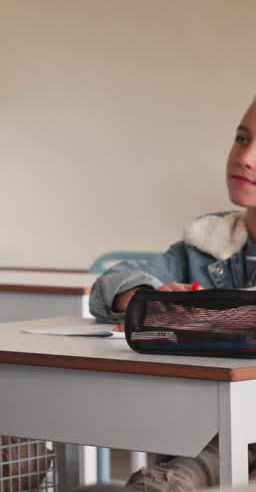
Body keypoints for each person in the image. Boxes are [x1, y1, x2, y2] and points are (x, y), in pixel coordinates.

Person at [90, 96, 256, 490]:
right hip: (217, 434)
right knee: (158, 485)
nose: (245, 156)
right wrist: (148, 298)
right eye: (241, 137)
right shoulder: (205, 244)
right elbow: (111, 284)